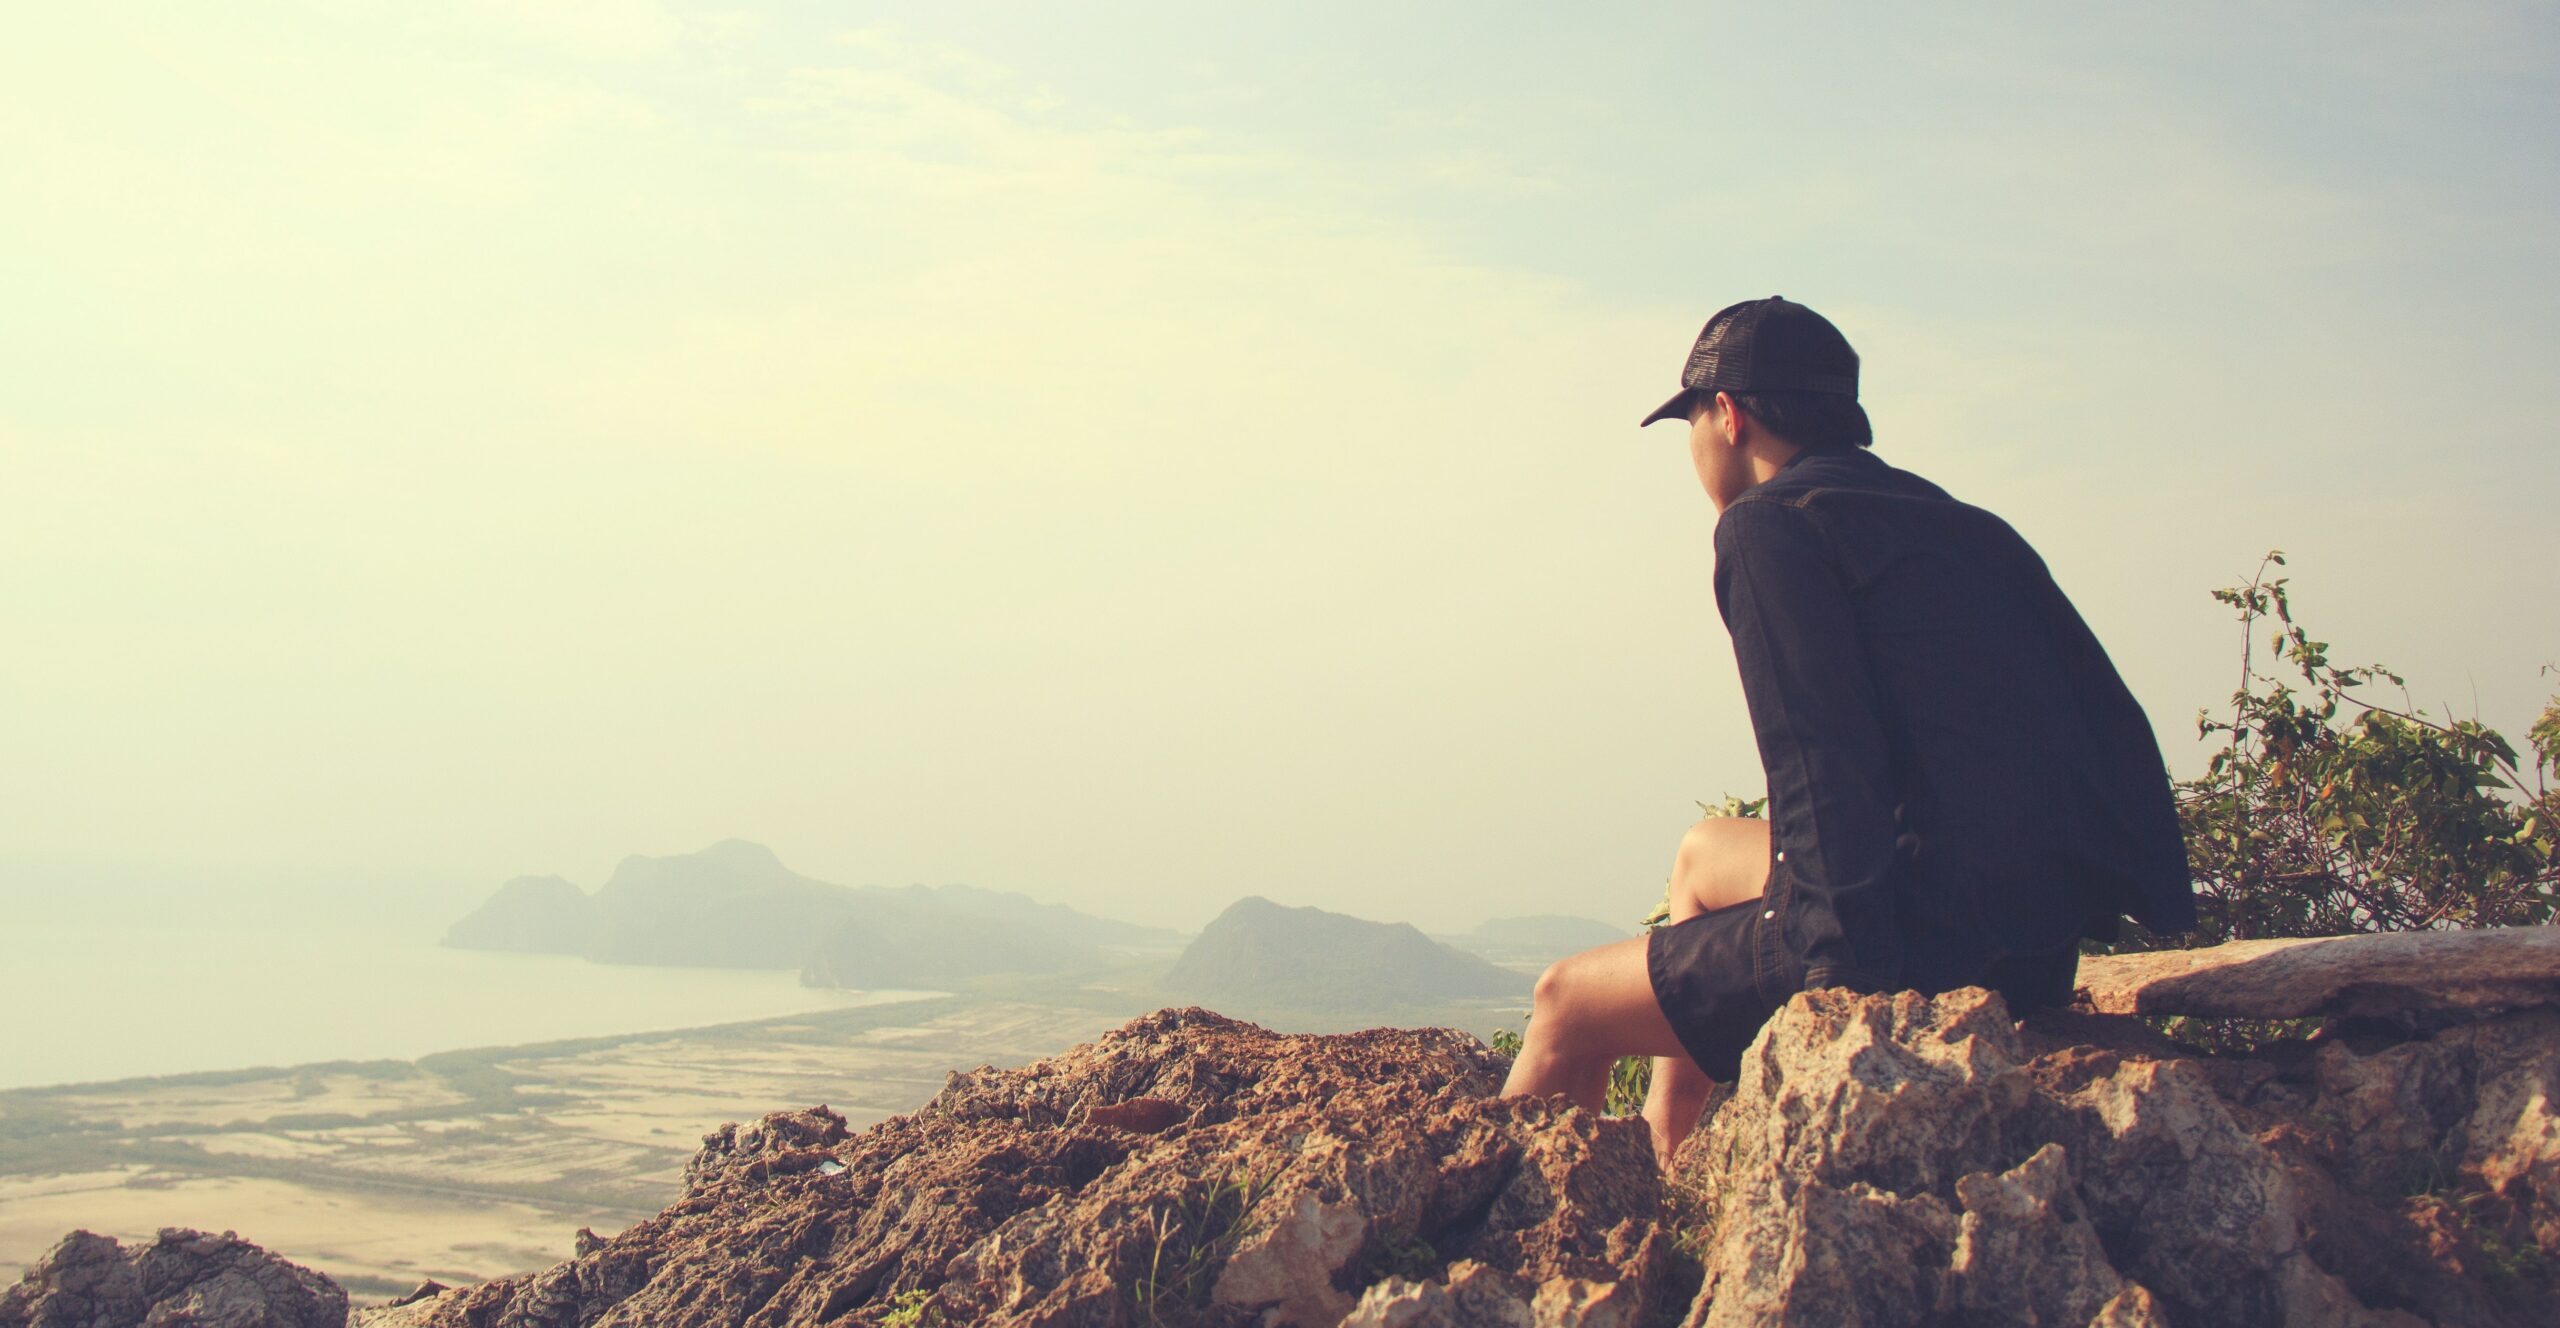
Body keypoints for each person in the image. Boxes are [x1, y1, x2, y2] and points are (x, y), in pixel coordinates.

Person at [1497, 296, 2197, 1165]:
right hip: (2029, 942)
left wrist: (1833, 988)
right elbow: (2098, 728)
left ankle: (1526, 1227)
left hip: (1903, 942)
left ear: (1729, 413)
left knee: (1564, 1001)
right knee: (1703, 853)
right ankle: (1672, 1149)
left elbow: (1821, 764)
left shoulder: (1766, 528)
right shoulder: (1964, 525)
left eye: (1691, 421)